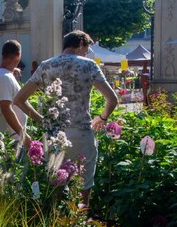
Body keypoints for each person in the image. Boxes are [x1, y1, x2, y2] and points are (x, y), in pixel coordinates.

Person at [13, 30, 119, 205]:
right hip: (81, 133)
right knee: (83, 188)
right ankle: (81, 226)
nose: (86, 53)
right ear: (80, 44)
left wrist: (43, 120)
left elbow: (19, 99)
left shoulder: (46, 66)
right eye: (86, 49)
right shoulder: (89, 65)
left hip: (54, 136)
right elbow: (112, 99)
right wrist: (102, 117)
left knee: (56, 186)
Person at [0, 40, 27, 139]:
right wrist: (25, 137)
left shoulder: (2, 74)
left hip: (11, 137)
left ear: (2, 54)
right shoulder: (3, 77)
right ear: (18, 55)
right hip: (9, 139)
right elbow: (6, 109)